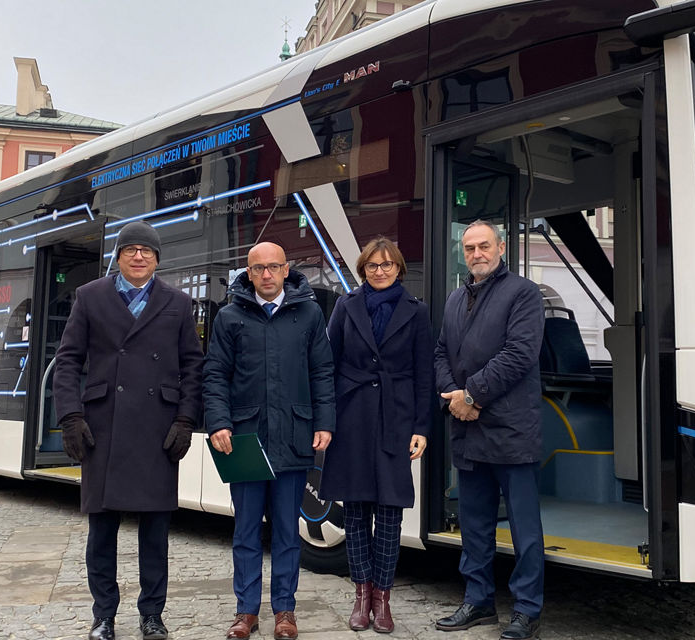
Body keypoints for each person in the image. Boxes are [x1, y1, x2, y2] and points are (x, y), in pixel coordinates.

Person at [52, 221, 204, 640]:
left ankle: (152, 615)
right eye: (131, 249)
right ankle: (103, 616)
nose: (139, 256)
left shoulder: (177, 302)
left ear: (158, 259)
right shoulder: (90, 297)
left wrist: (186, 419)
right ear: (117, 256)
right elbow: (67, 362)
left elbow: (193, 366)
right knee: (101, 531)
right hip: (102, 428)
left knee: (155, 533)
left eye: (147, 251)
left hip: (158, 429)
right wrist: (70, 417)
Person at [204, 241, 336, 640]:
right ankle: (246, 612)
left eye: (273, 267)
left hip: (294, 437)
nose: (265, 275)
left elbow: (322, 373)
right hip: (244, 440)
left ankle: (285, 611)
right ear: (248, 273)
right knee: (245, 532)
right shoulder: (229, 317)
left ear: (285, 270)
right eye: (258, 268)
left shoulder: (309, 314)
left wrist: (324, 422)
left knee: (286, 533)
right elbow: (215, 376)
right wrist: (218, 422)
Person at [433, 220, 545, 640]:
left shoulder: (523, 293)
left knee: (524, 529)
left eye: (484, 246)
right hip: (468, 429)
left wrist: (472, 396)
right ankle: (478, 601)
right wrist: (452, 395)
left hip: (511, 430)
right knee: (474, 524)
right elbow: (442, 352)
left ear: (501, 247)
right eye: (469, 248)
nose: (477, 253)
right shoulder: (455, 298)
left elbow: (519, 355)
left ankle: (527, 610)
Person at [319, 237, 432, 633]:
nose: (379, 271)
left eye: (386, 265)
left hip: (395, 417)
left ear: (399, 268)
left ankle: (383, 598)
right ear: (362, 268)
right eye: (372, 265)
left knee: (388, 512)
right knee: (354, 512)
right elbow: (328, 366)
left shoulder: (417, 312)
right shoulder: (346, 306)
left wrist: (421, 427)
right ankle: (360, 594)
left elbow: (424, 374)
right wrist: (326, 421)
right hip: (351, 416)